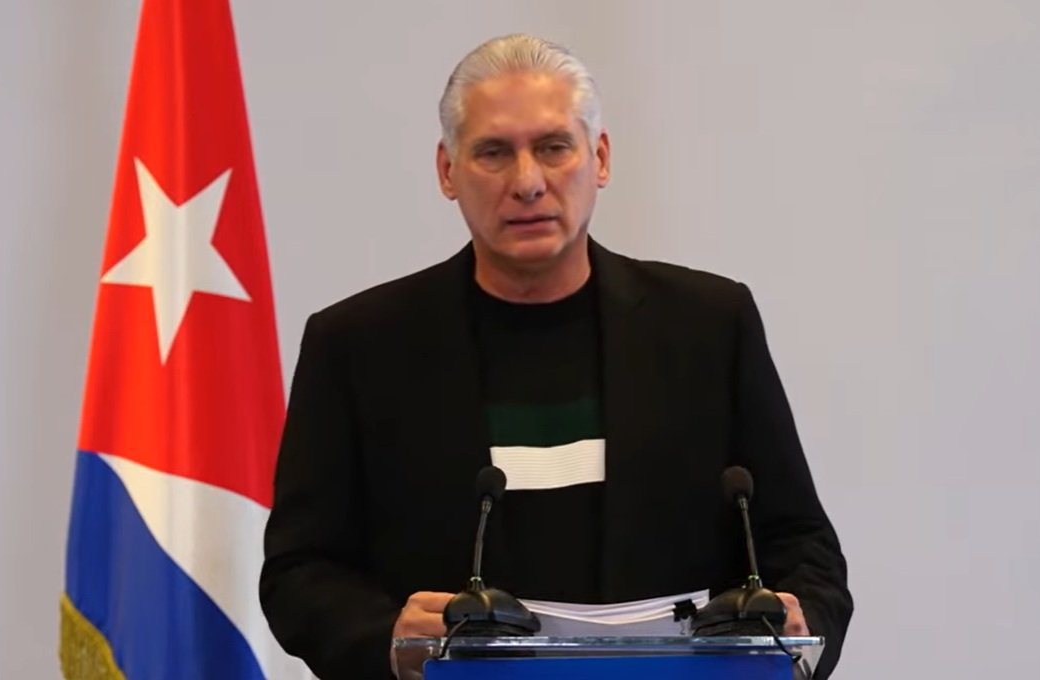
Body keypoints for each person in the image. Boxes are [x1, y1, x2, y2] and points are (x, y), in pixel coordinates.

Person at [260, 34, 852, 680]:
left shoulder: (710, 325)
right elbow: (299, 570)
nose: (527, 182)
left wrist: (798, 636)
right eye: (493, 152)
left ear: (599, 158)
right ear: (447, 171)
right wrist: (388, 640)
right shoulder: (358, 345)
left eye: (552, 147)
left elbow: (801, 545)